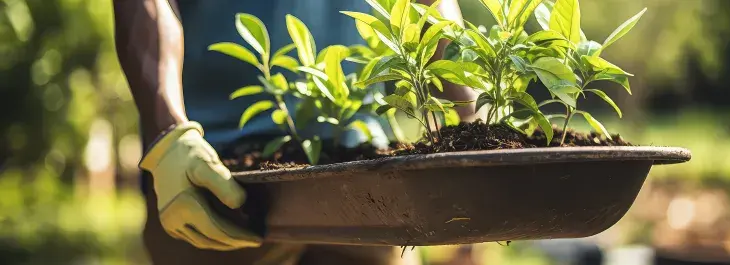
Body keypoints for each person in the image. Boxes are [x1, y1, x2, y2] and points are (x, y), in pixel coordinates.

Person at [111, 0, 480, 264]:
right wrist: (169, 132)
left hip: (370, 186)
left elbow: (431, 6)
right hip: (217, 181)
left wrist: (477, 126)